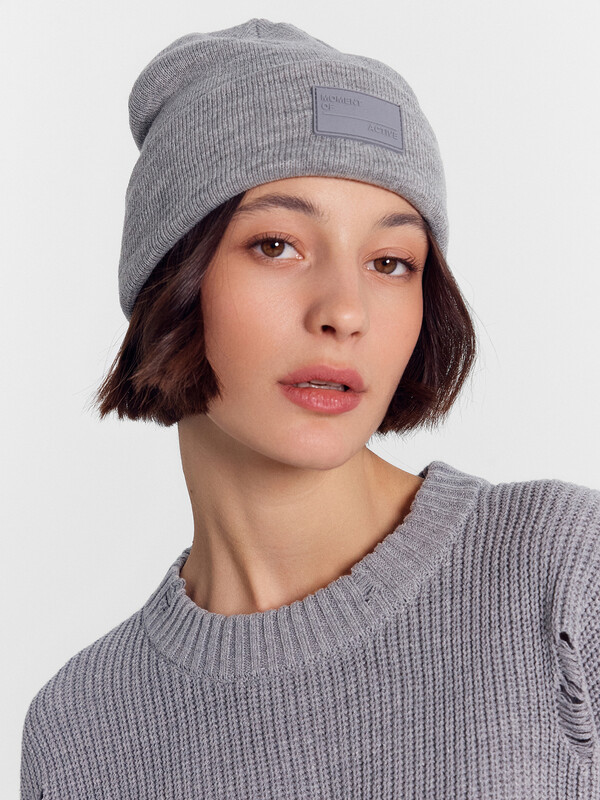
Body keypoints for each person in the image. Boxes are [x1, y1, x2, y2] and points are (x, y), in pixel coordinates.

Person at [19, 18, 600, 800]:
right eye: (277, 245)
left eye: (390, 262)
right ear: (171, 278)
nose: (345, 311)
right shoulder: (78, 730)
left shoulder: (563, 574)